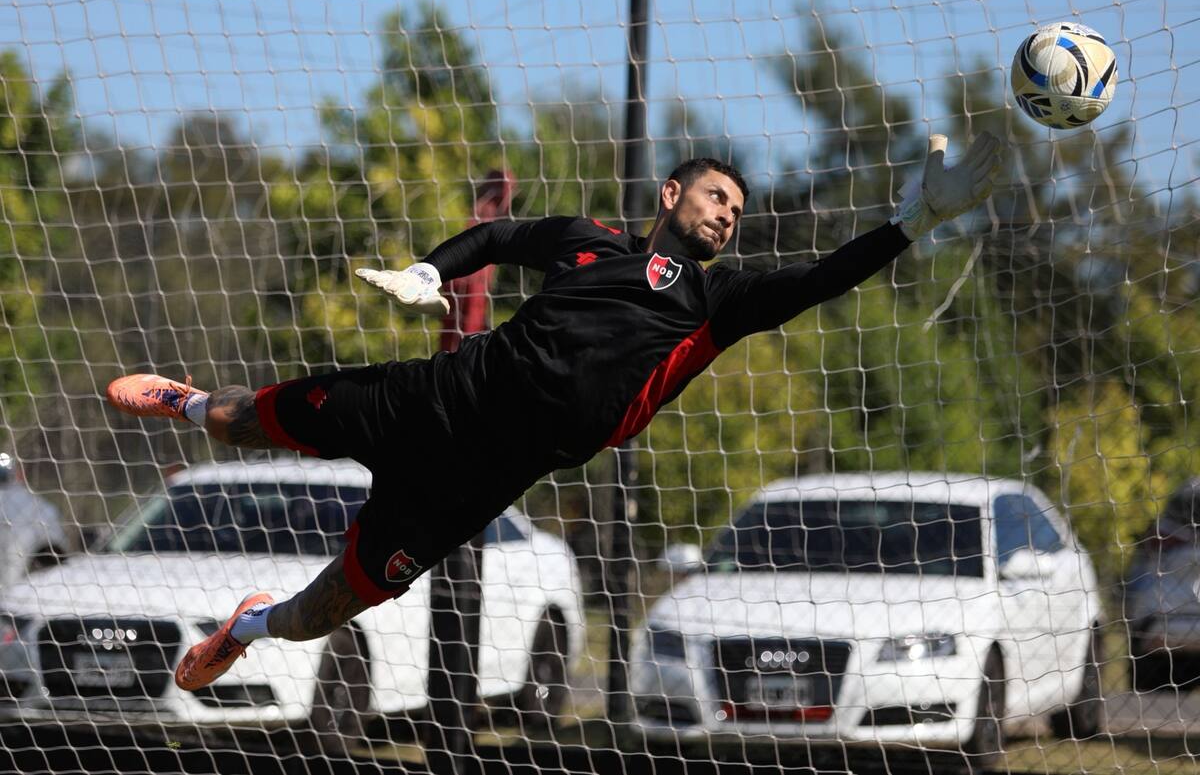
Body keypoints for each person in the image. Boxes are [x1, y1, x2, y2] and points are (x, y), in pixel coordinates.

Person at [105, 133, 1004, 691]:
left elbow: (814, 282)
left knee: (322, 611)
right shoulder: (585, 243)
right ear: (670, 197)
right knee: (241, 421)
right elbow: (501, 237)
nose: (729, 215)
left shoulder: (713, 305)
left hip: (476, 483)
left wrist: (909, 225)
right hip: (429, 403)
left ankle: (246, 625)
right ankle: (182, 401)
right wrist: (432, 269)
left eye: (738, 207)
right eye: (715, 196)